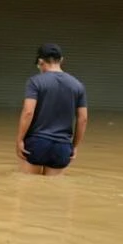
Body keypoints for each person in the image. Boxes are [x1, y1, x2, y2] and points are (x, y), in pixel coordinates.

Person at [16, 43, 88, 176]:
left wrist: (19, 140)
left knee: (28, 188)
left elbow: (28, 112)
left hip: (37, 143)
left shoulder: (35, 81)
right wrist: (74, 146)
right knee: (52, 192)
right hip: (62, 146)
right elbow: (83, 119)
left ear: (40, 61)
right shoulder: (78, 85)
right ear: (61, 60)